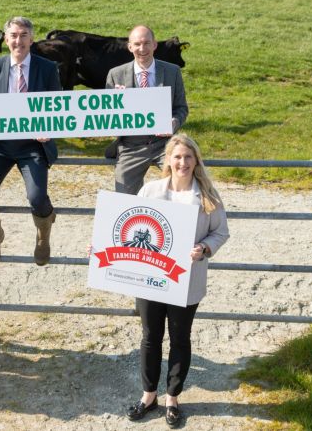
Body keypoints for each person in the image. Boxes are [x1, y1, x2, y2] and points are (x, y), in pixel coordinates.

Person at [125, 134, 229, 427]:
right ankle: (148, 395)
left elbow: (220, 232)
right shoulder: (150, 190)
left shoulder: (207, 195)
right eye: (177, 157)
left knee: (180, 337)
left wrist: (205, 248)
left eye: (188, 157)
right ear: (168, 160)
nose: (182, 162)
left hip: (186, 279)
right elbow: (130, 227)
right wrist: (102, 248)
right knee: (150, 336)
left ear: (196, 161)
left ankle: (172, 397)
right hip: (150, 277)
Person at [0, 16, 62, 266]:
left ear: (32, 39)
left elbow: (58, 107)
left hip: (33, 145)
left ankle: (43, 236)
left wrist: (50, 130)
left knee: (37, 199)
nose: (18, 40)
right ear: (5, 38)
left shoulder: (47, 68)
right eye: (13, 35)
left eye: (23, 35)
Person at [105, 25, 189, 195]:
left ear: (155, 45)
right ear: (129, 47)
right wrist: (116, 103)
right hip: (130, 146)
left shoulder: (172, 71)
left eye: (146, 43)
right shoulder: (115, 74)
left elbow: (181, 108)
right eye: (137, 44)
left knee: (186, 182)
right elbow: (107, 117)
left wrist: (174, 122)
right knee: (123, 195)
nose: (142, 49)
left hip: (164, 144)